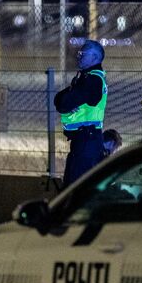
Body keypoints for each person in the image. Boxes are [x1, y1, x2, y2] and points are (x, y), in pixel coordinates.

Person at [54, 40, 107, 187]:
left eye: (82, 54)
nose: (79, 56)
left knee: (76, 186)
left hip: (87, 141)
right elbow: (60, 99)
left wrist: (64, 100)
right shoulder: (86, 77)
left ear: (95, 58)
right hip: (84, 139)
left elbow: (64, 102)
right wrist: (63, 99)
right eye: (79, 53)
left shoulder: (92, 80)